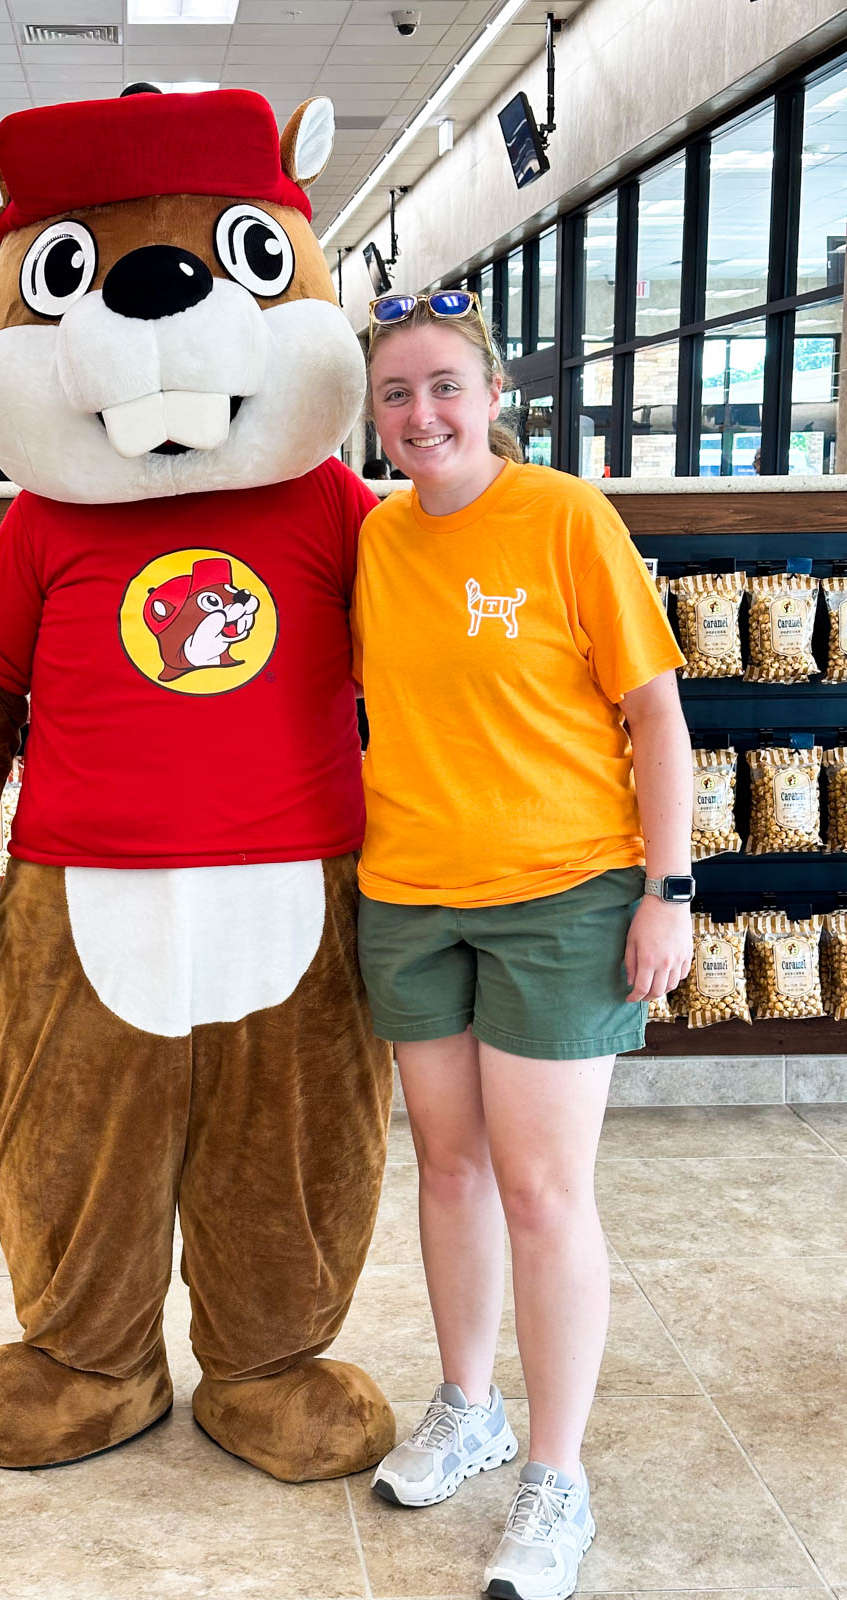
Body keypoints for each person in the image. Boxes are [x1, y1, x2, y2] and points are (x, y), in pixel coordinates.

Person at [352, 291, 692, 1600]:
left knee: (547, 1188)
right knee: (447, 1165)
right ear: (373, 416)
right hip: (412, 889)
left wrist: (669, 888)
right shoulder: (378, 541)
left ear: (494, 395)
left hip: (565, 890)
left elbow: (654, 712)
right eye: (396, 394)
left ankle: (558, 1479)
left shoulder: (564, 518)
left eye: (444, 386)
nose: (422, 414)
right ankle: (467, 1405)